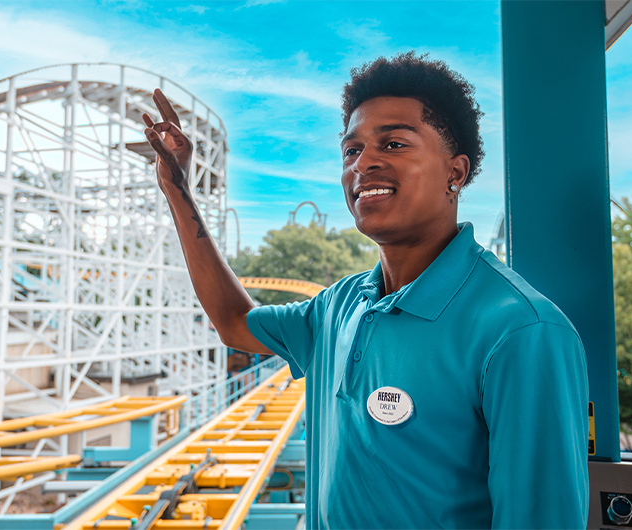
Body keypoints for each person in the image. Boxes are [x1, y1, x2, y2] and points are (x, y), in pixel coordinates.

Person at [143, 52, 589, 530]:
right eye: (351, 150)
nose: (365, 163)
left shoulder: (520, 331)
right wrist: (178, 190)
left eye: (394, 143)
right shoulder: (338, 307)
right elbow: (234, 322)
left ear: (455, 174)